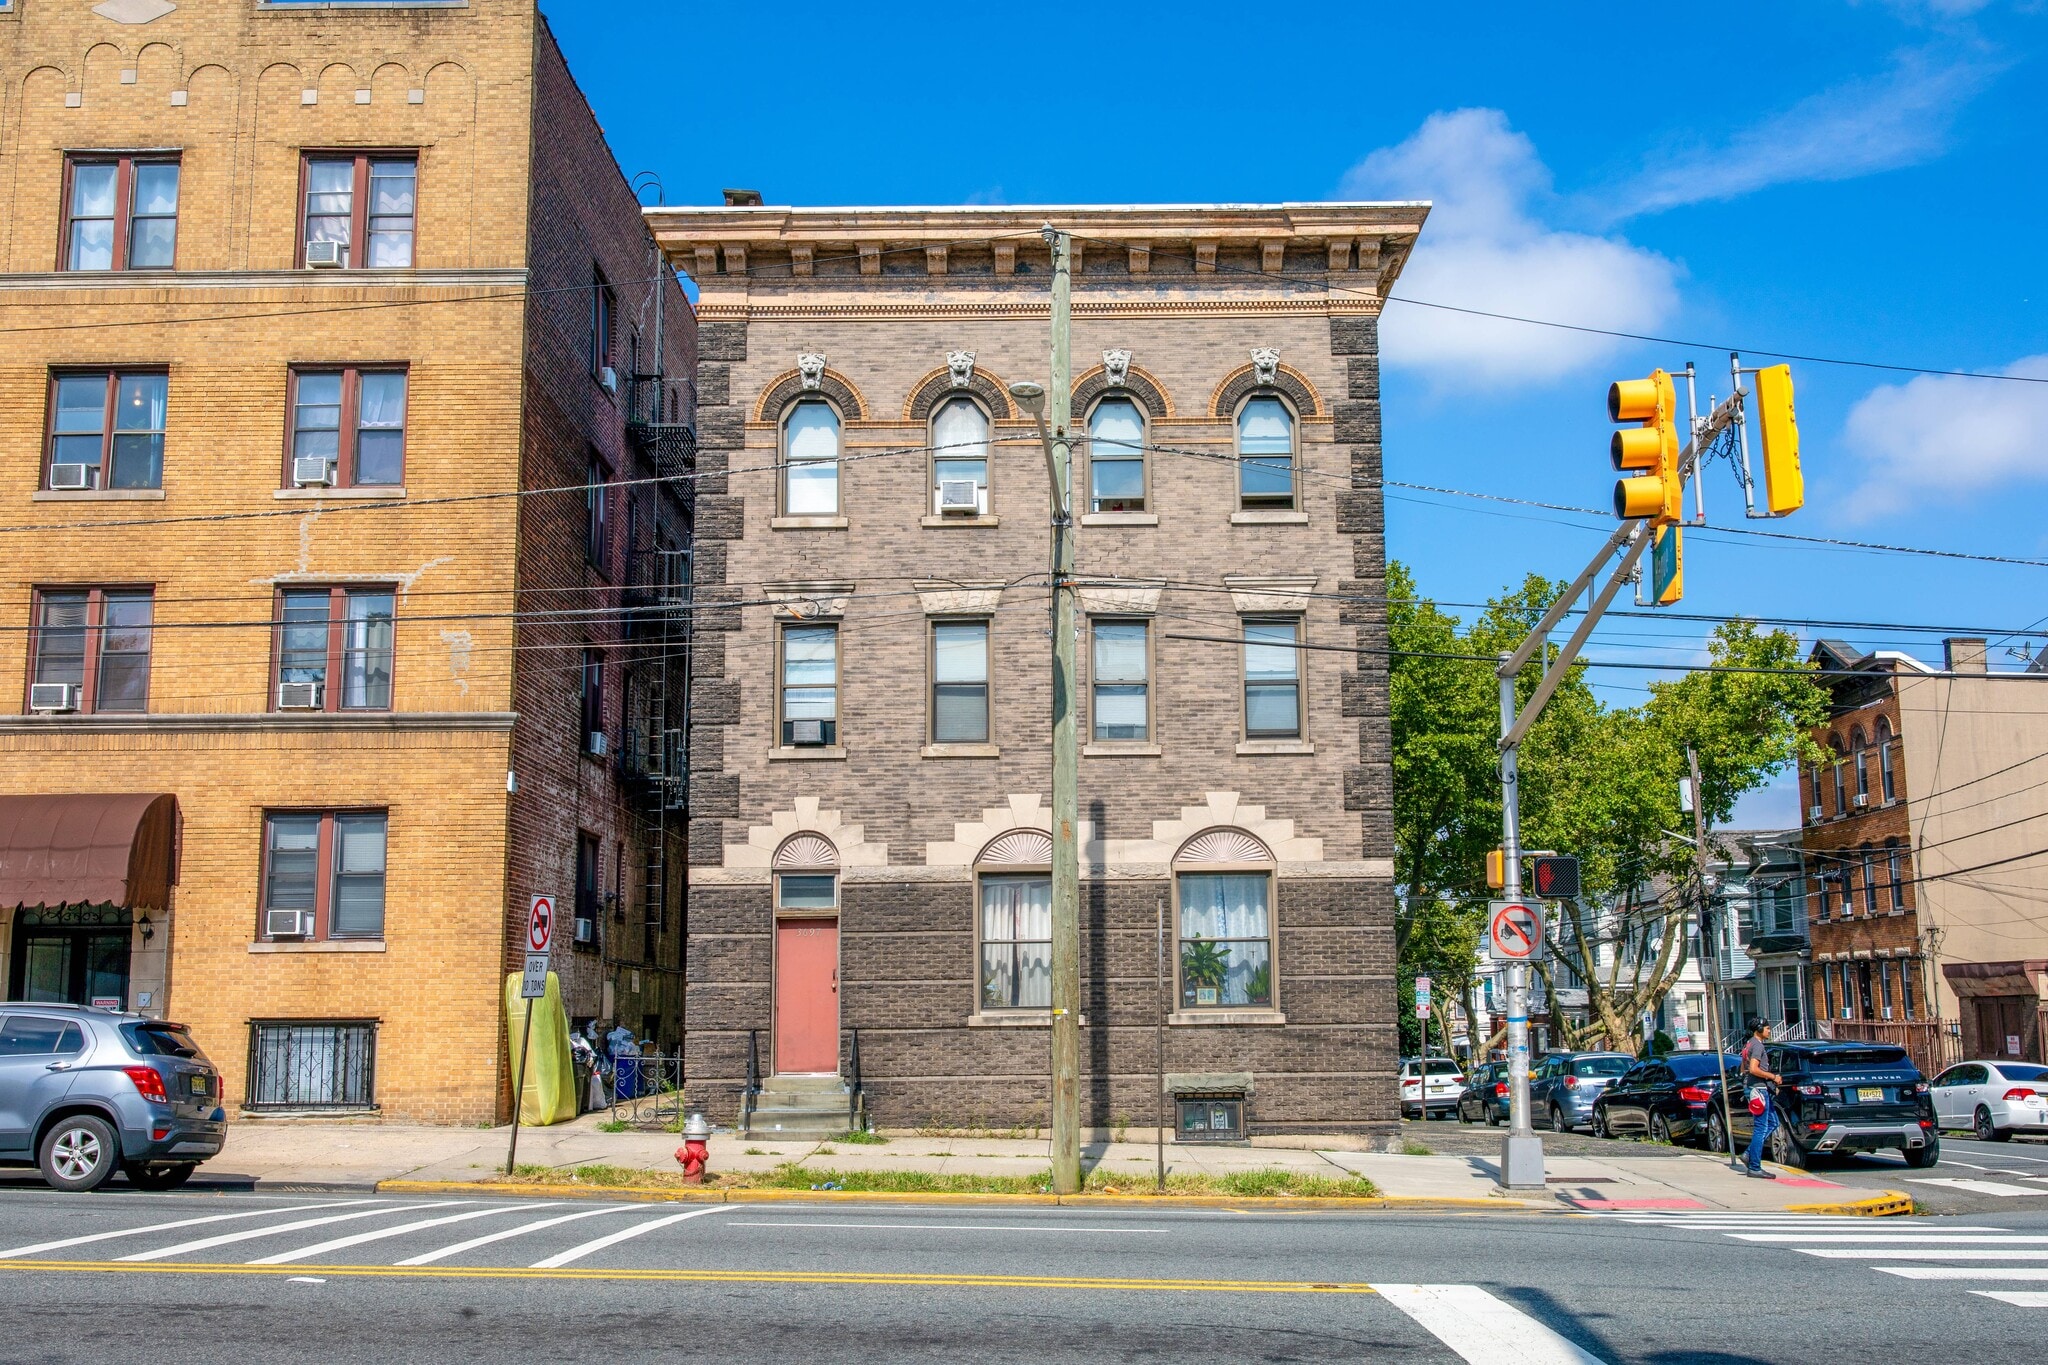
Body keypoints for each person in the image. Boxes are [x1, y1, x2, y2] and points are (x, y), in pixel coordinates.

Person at [1740, 1018, 1783, 1179]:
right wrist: (1773, 1077)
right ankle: (1755, 1167)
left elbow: (1742, 1068)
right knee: (1761, 1128)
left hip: (1754, 1088)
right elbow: (1752, 1069)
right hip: (1758, 1089)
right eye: (1766, 1028)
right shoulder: (1757, 1045)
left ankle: (1749, 1154)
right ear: (1758, 1029)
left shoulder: (1749, 1044)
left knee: (1773, 1122)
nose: (1769, 1030)